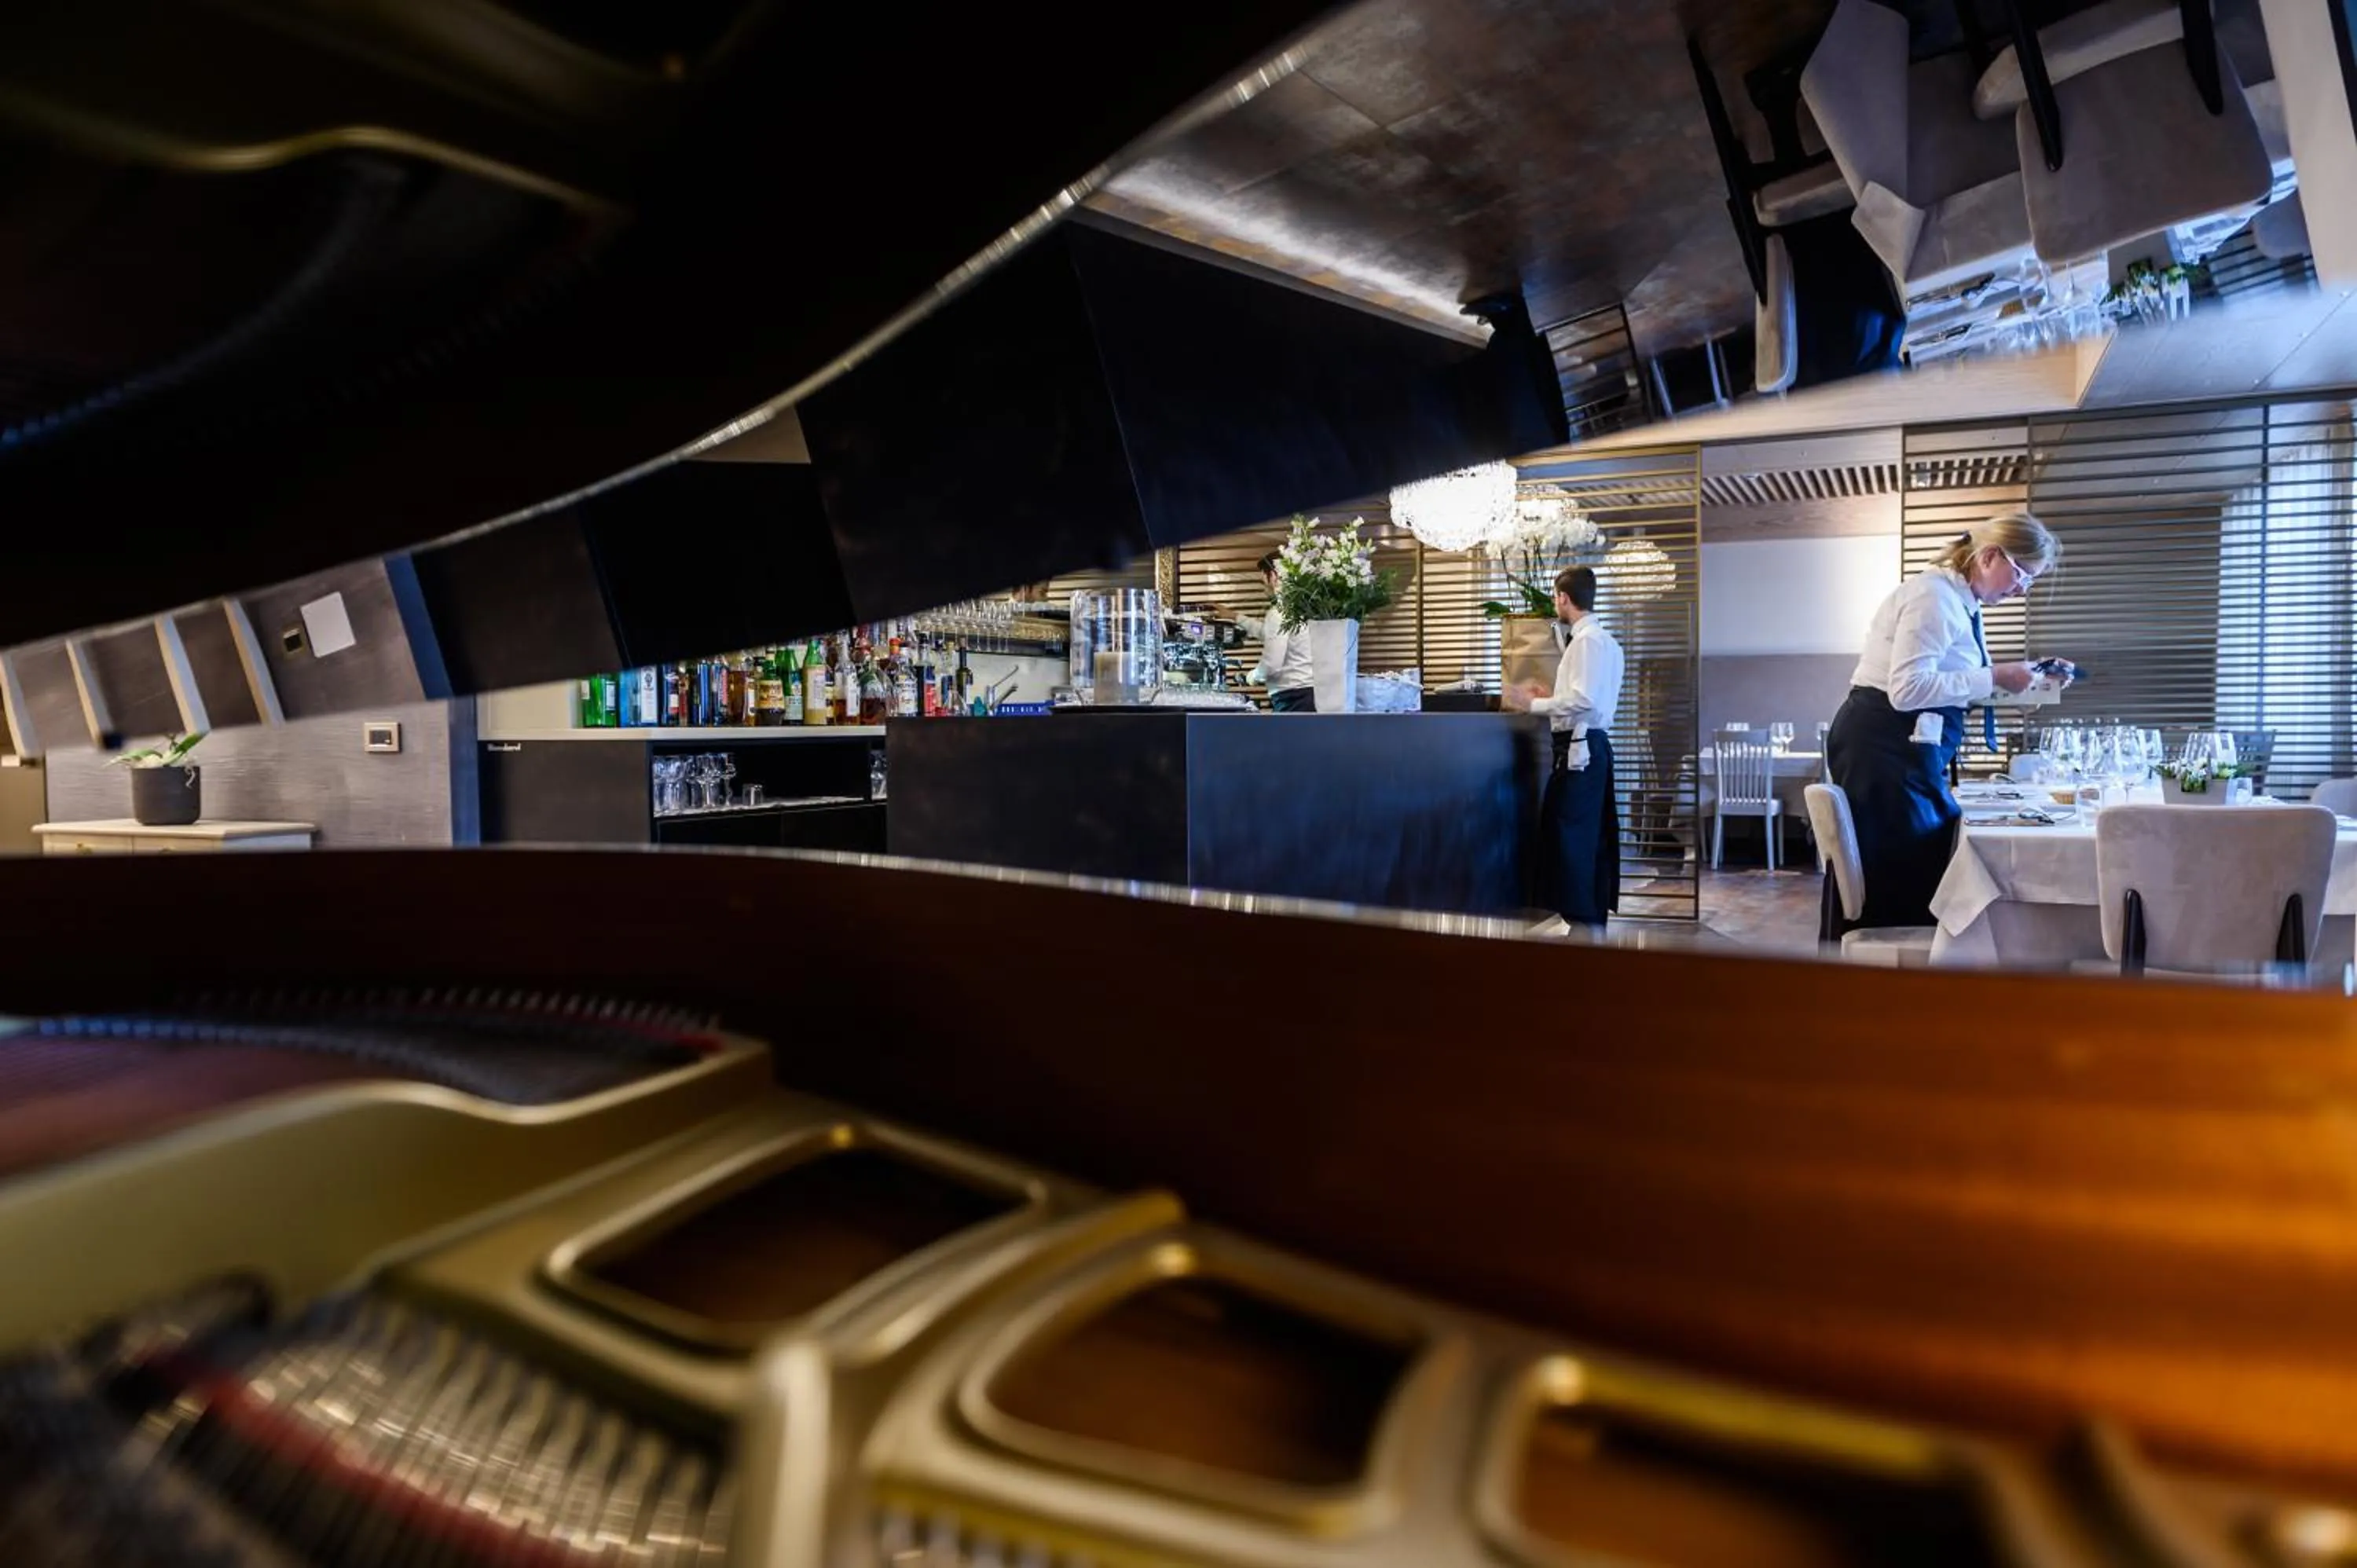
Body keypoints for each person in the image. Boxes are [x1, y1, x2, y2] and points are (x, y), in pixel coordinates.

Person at [1827, 510, 2067, 929]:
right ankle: (1886, 979)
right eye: (2022, 576)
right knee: (1899, 871)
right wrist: (1995, 675)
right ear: (1991, 556)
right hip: (1883, 748)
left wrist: (2031, 679)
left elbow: (1954, 684)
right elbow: (1907, 690)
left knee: (1927, 858)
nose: (2021, 591)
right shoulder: (1933, 598)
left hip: (1904, 747)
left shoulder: (1962, 603)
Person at [1508, 566, 1626, 930]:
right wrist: (1555, 698)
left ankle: (1583, 920)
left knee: (1571, 834)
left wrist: (1535, 705)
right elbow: (1585, 698)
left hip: (1581, 749)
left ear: (1563, 598)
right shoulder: (1607, 642)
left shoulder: (1587, 641)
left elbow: (1586, 700)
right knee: (1585, 834)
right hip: (1591, 747)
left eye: (1556, 598)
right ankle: (1588, 921)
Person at [1247, 551, 1316, 712]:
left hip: (1292, 699)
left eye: (1263, 581)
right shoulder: (1306, 609)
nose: (1265, 588)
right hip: (1312, 695)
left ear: (1273, 576)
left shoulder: (1278, 613)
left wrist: (1254, 676)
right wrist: (1237, 618)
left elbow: (1272, 664)